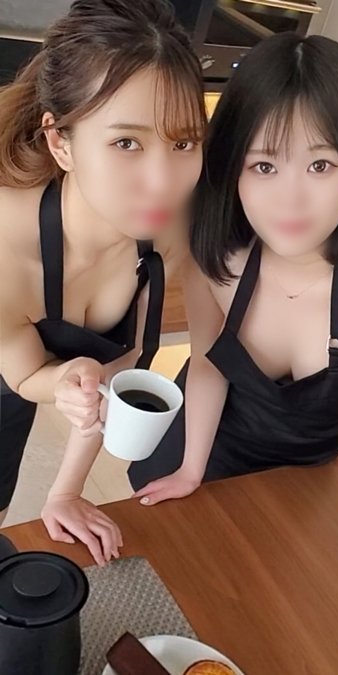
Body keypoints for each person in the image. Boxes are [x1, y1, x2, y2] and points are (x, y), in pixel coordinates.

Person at [129, 32, 338, 507]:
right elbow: (206, 362)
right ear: (233, 168)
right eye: (263, 166)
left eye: (320, 165)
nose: (290, 199)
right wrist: (190, 470)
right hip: (191, 445)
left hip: (297, 492)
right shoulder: (217, 246)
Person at [0, 0, 206, 565]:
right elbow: (24, 376)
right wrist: (59, 380)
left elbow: (115, 369)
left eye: (183, 143)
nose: (163, 182)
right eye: (127, 143)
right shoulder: (4, 248)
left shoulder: (164, 233)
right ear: (60, 143)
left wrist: (66, 491)